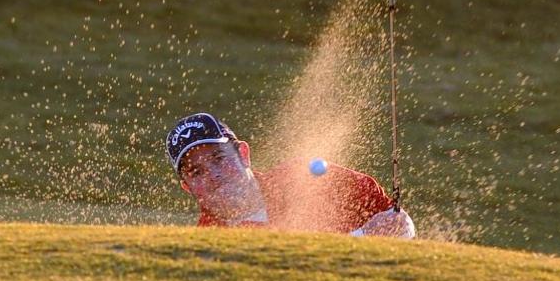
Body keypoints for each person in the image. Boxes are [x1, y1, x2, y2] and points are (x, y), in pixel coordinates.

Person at [165, 112, 415, 237]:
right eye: (196, 172)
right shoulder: (209, 240)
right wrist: (362, 237)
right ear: (187, 187)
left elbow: (400, 222)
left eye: (219, 159)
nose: (213, 175)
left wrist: (399, 229)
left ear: (243, 154)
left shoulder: (308, 179)